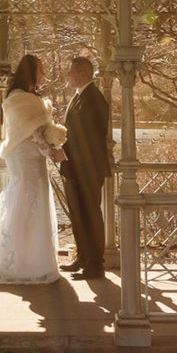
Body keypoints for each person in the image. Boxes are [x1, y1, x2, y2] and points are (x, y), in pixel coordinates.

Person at [0, 54, 65, 285]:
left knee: (35, 200)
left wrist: (49, 144)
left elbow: (38, 129)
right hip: (23, 155)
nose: (43, 74)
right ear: (30, 72)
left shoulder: (30, 97)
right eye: (40, 70)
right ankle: (17, 261)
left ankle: (33, 259)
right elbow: (28, 131)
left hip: (34, 154)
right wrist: (49, 148)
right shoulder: (18, 98)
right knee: (26, 198)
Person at [58, 55, 112, 279]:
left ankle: (95, 264)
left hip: (87, 170)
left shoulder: (94, 99)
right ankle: (82, 257)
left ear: (82, 73)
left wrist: (63, 150)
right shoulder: (79, 97)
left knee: (90, 215)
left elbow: (89, 139)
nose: (68, 76)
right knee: (78, 216)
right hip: (76, 169)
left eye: (70, 72)